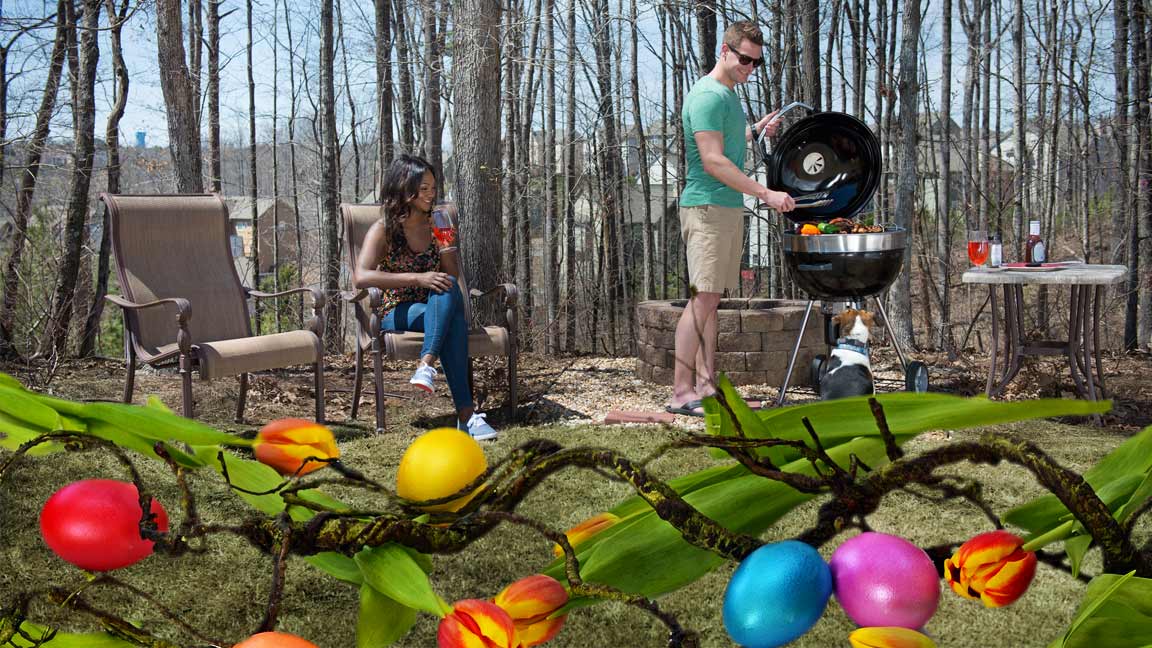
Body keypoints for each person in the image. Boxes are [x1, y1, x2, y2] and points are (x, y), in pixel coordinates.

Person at [666, 20, 796, 417]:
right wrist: (765, 193)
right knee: (699, 300)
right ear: (724, 51)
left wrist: (755, 131)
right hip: (706, 207)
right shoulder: (708, 96)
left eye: (756, 63)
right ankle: (681, 392)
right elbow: (712, 160)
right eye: (744, 59)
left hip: (724, 209)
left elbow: (728, 148)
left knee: (711, 300)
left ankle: (706, 386)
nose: (750, 69)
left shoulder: (727, 96)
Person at [354, 154, 497, 440]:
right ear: (405, 189)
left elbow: (452, 273)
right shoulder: (384, 228)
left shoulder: (438, 221)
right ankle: (466, 418)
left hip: (436, 305)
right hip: (398, 310)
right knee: (449, 309)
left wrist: (446, 244)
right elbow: (361, 276)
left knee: (447, 294)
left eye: (433, 187)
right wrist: (418, 278)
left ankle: (426, 365)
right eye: (424, 188)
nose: (431, 194)